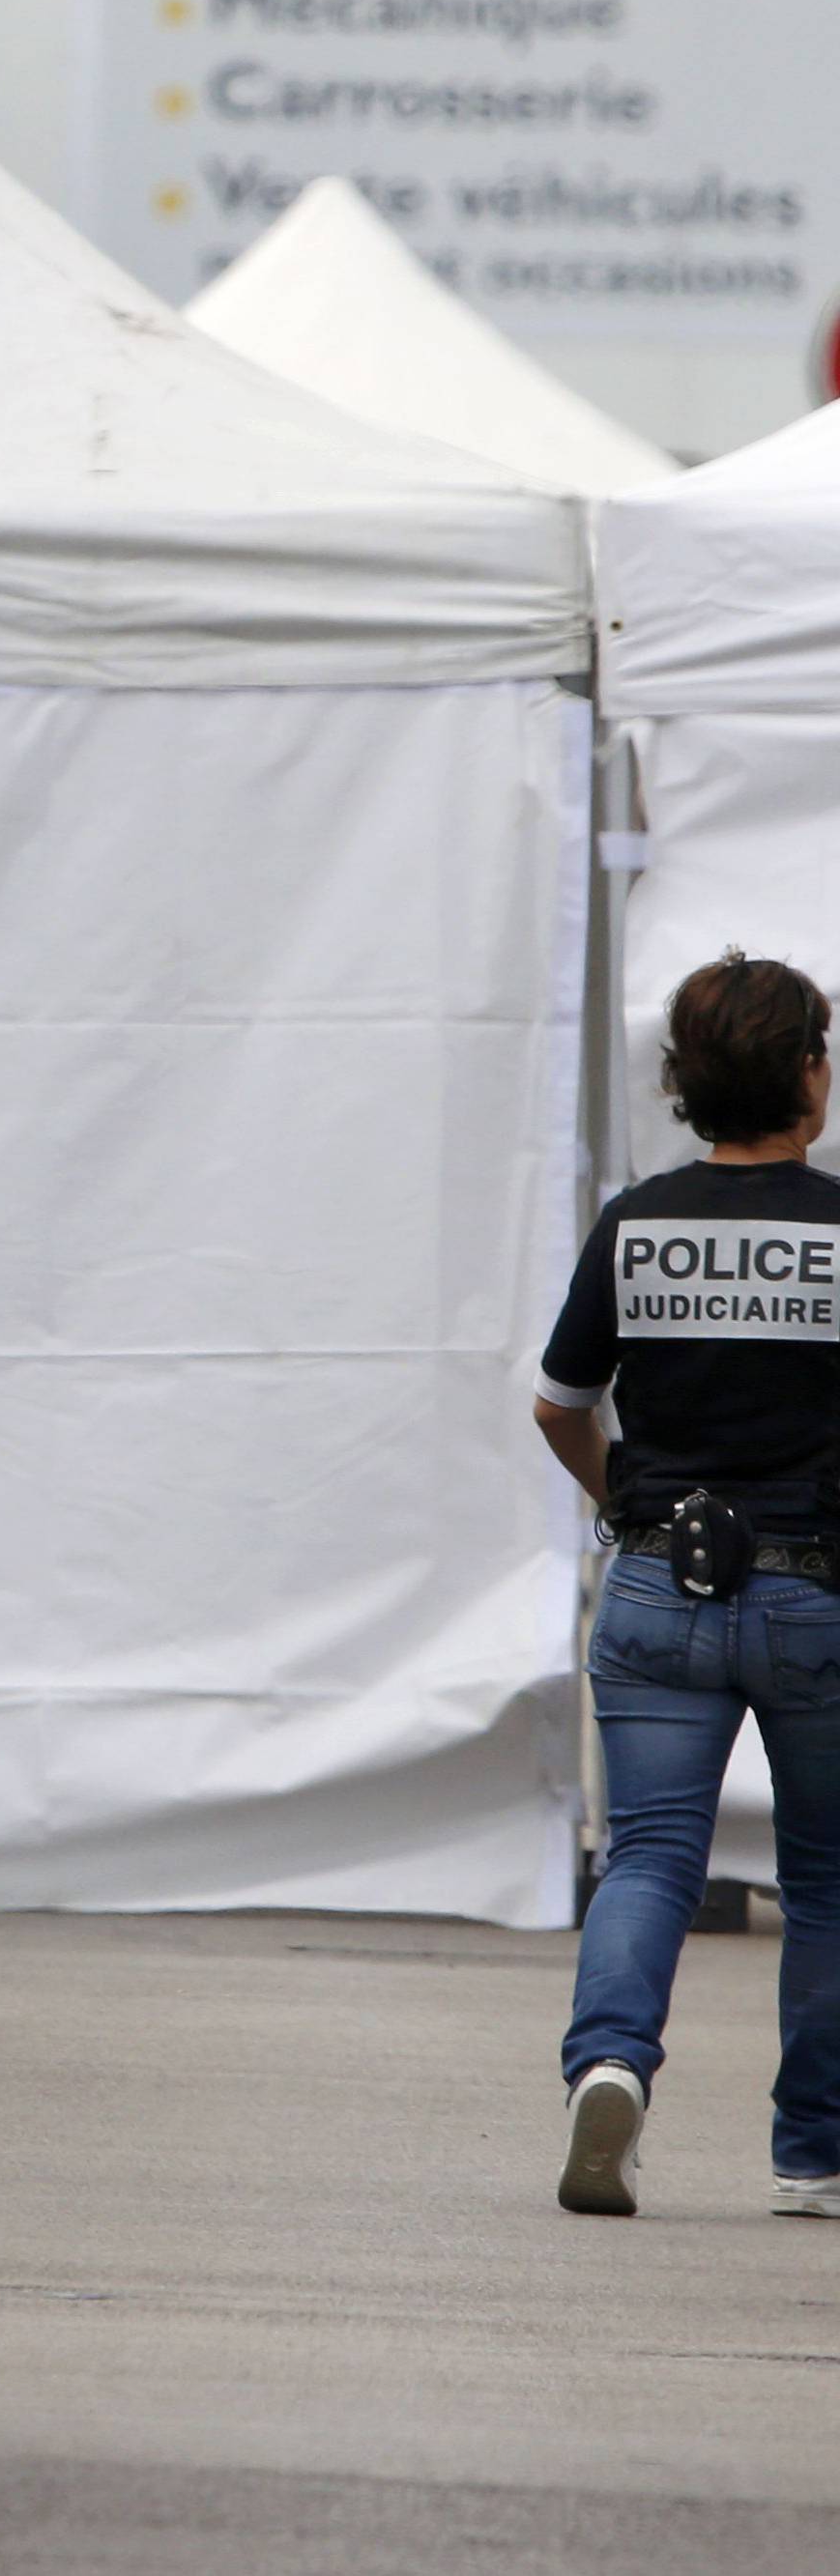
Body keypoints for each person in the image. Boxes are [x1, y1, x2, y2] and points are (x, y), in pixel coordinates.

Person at [536, 949, 840, 2219]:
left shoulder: (635, 1225)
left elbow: (560, 1406)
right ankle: (811, 2156)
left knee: (652, 1857)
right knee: (825, 1878)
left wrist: (628, 1507)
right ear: (808, 1081)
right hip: (816, 1598)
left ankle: (610, 2065)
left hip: (661, 1584)